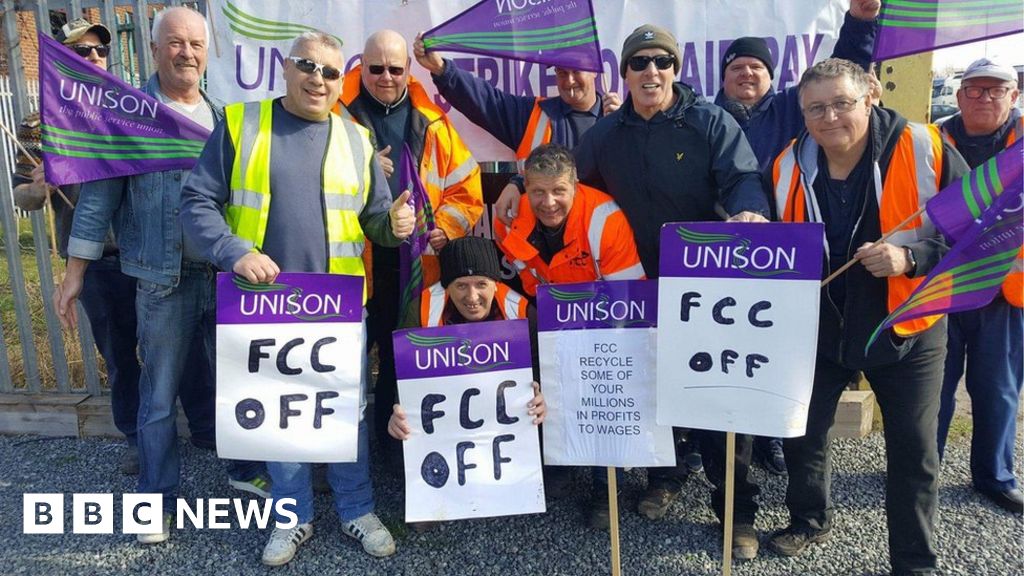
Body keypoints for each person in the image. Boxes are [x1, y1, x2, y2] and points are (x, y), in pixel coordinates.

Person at [180, 30, 413, 565]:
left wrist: (395, 225)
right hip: (263, 305)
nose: (319, 79)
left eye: (332, 72)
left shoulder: (355, 139)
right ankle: (292, 517)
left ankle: (357, 510)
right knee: (281, 419)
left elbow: (374, 221)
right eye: (308, 66)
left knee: (345, 412)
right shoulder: (241, 125)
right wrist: (233, 250)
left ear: (340, 81)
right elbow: (196, 202)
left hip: (338, 308)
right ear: (284, 68)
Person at [55, 7, 269, 544]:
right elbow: (97, 199)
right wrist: (74, 271)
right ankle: (157, 497)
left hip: (223, 278)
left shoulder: (224, 119)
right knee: (158, 394)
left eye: (196, 44)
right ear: (155, 49)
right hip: (160, 277)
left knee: (235, 384)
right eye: (176, 43)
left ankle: (245, 471)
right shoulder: (130, 116)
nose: (187, 53)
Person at [573, 24, 770, 559]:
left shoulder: (710, 122)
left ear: (676, 69)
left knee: (718, 403)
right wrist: (519, 190)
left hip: (703, 290)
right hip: (632, 290)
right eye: (639, 62)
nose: (651, 72)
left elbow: (743, 177)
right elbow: (572, 184)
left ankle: (736, 511)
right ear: (625, 73)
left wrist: (751, 209)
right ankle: (664, 476)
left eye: (661, 61)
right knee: (648, 389)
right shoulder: (604, 134)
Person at [768, 58, 968, 575]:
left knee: (914, 451)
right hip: (821, 325)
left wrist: (910, 258)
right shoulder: (787, 162)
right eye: (815, 108)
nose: (829, 117)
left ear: (871, 96)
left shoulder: (926, 147)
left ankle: (914, 560)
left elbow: (975, 229)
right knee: (802, 432)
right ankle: (809, 519)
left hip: (908, 325)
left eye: (841, 103)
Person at [715, 0, 881, 475]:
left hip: (786, 256)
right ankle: (723, 439)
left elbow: (843, 68)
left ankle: (774, 437)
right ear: (723, 77)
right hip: (726, 256)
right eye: (737, 67)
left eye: (756, 66)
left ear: (771, 75)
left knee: (778, 350)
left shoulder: (793, 106)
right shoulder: (708, 115)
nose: (746, 73)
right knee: (731, 350)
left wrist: (861, 22)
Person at [335, 30, 483, 468]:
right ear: (361, 66)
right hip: (354, 261)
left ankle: (401, 453)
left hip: (420, 263)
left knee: (408, 352)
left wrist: (447, 228)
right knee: (351, 358)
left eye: (395, 69)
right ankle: (347, 455)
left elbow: (467, 186)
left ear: (408, 70)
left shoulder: (432, 121)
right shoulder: (335, 116)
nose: (385, 77)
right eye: (375, 68)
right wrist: (360, 166)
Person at [492, 143, 643, 528]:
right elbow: (526, 279)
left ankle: (605, 483)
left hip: (610, 318)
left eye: (559, 190)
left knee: (601, 390)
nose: (549, 202)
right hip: (552, 313)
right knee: (544, 383)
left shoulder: (605, 220)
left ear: (575, 185)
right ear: (524, 186)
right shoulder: (511, 216)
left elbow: (630, 299)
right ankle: (558, 459)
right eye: (538, 191)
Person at [387, 236, 545, 496]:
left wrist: (541, 396)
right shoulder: (421, 309)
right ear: (446, 286)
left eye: (481, 284)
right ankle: (433, 492)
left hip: (500, 412)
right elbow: (403, 373)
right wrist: (398, 410)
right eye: (461, 286)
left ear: (496, 284)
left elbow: (542, 362)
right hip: (444, 412)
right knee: (398, 446)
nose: (472, 297)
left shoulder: (522, 311)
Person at [935, 58, 1023, 514]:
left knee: (998, 387)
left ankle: (994, 476)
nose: (984, 98)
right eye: (974, 89)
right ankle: (923, 467)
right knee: (934, 384)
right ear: (959, 94)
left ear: (1014, 96)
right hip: (944, 284)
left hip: (1006, 291)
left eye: (995, 90)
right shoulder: (933, 140)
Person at [413, 30, 621, 204]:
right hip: (545, 245)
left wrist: (626, 124)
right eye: (561, 72)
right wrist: (441, 69)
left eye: (577, 70)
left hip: (602, 244)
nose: (569, 80)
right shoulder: (534, 114)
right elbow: (485, 100)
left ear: (595, 70)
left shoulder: (617, 118)